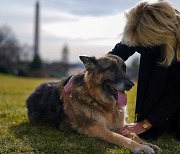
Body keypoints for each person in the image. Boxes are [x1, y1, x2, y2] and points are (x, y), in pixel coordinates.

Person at [109, 0, 180, 140]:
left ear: (158, 35)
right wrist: (85, 74)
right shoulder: (138, 27)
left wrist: (144, 125)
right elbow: (115, 55)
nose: (139, 44)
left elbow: (177, 92)